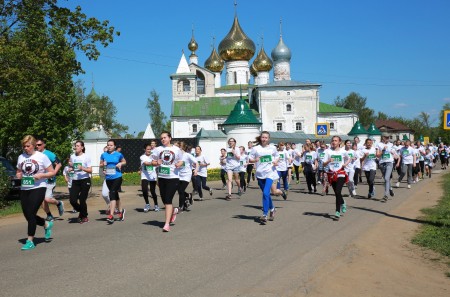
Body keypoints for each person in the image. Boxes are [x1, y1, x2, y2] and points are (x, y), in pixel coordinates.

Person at [16, 135, 56, 250]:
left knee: (32, 212)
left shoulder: (42, 157)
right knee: (28, 215)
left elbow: (52, 172)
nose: (26, 148)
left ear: (33, 145)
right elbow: (19, 171)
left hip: (39, 187)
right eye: (24, 146)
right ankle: (46, 225)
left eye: (28, 146)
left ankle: (30, 241)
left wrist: (41, 175)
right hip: (25, 188)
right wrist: (18, 175)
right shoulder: (21, 157)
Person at [248, 131, 286, 224]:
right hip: (260, 174)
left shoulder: (272, 148)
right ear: (260, 138)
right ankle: (272, 209)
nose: (264, 139)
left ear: (268, 139)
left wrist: (276, 162)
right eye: (263, 137)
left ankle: (264, 215)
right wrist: (255, 160)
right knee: (267, 195)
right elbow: (250, 159)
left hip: (270, 173)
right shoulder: (255, 148)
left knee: (265, 193)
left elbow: (277, 156)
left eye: (266, 137)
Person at [151, 131, 183, 232]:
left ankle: (166, 224)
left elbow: (182, 161)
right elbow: (152, 162)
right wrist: (157, 162)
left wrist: (179, 164)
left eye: (164, 137)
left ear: (170, 138)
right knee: (165, 200)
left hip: (173, 177)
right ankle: (173, 211)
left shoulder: (176, 149)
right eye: (161, 138)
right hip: (161, 177)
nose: (163, 139)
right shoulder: (158, 149)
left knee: (168, 200)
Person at [35, 139, 64, 221]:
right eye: (36, 145)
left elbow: (59, 163)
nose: (37, 146)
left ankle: (59, 203)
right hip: (40, 181)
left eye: (39, 144)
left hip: (49, 180)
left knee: (47, 199)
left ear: (44, 145)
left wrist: (54, 172)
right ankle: (49, 215)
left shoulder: (49, 154)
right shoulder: (35, 154)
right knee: (42, 200)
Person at [323, 136, 351, 220]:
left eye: (335, 141)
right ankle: (342, 202)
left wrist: (345, 164)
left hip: (340, 173)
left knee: (338, 191)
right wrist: (328, 161)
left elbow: (349, 158)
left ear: (339, 142)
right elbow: (324, 164)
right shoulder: (327, 151)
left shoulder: (343, 151)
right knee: (336, 193)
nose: (334, 142)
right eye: (333, 140)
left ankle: (337, 211)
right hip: (331, 174)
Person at [100, 139, 126, 224]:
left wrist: (120, 164)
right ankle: (121, 211)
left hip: (117, 177)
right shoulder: (103, 155)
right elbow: (101, 164)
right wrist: (103, 167)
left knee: (112, 193)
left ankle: (111, 215)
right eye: (108, 145)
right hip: (108, 178)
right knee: (115, 195)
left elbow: (124, 161)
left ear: (114, 146)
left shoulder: (118, 154)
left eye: (111, 145)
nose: (109, 146)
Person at [68, 140, 92, 223]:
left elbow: (90, 170)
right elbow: (71, 165)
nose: (76, 147)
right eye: (75, 145)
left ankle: (84, 216)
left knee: (82, 199)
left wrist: (82, 168)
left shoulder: (86, 157)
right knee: (72, 200)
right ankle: (83, 212)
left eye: (78, 146)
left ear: (82, 147)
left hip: (85, 180)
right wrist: (71, 168)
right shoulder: (72, 156)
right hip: (75, 180)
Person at [140, 142, 159, 213]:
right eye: (147, 149)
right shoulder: (142, 157)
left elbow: (158, 164)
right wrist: (152, 163)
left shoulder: (154, 156)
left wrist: (157, 163)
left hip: (152, 176)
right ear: (144, 149)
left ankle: (156, 205)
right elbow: (146, 163)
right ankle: (147, 204)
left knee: (153, 191)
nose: (149, 150)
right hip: (145, 176)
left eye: (150, 149)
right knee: (144, 190)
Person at [178, 142, 197, 211]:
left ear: (182, 147)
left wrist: (196, 170)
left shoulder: (187, 155)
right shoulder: (177, 156)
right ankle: (188, 196)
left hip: (186, 175)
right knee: (180, 191)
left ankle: (180, 206)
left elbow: (196, 162)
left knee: (181, 190)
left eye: (179, 146)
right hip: (179, 175)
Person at [376, 136, 396, 202]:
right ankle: (390, 188)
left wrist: (394, 153)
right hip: (382, 163)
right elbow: (378, 155)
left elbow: (393, 152)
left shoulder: (391, 144)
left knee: (387, 178)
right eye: (386, 137)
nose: (387, 139)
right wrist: (383, 150)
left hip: (389, 162)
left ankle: (386, 195)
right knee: (386, 179)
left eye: (388, 137)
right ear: (383, 138)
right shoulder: (378, 144)